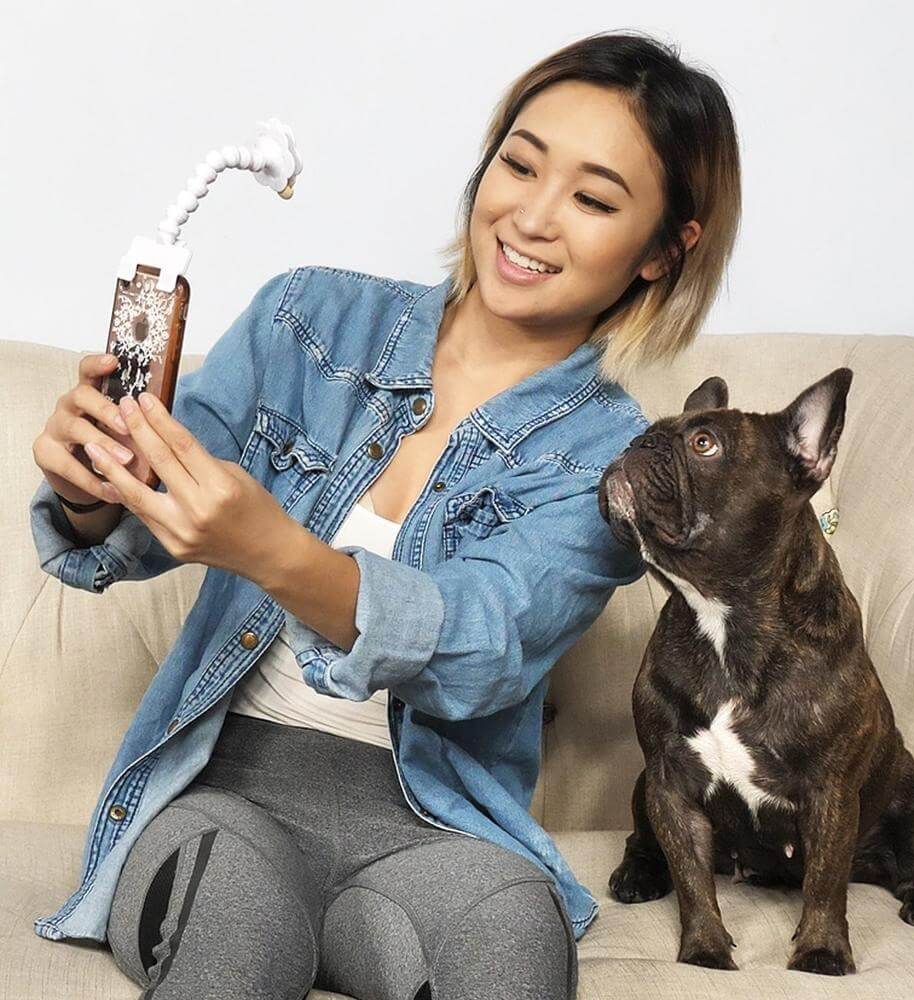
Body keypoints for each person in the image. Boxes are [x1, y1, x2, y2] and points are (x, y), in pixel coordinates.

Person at [28, 28, 740, 1000]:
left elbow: (482, 645)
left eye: (593, 199)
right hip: (222, 796)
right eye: (519, 165)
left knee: (515, 938)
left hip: (431, 834)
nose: (532, 217)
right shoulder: (307, 319)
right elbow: (143, 521)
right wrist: (89, 488)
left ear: (663, 248)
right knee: (230, 916)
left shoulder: (611, 463)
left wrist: (277, 553)